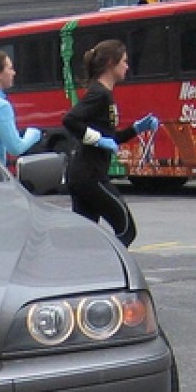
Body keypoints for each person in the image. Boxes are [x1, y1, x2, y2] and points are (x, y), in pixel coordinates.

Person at [62, 40, 158, 247]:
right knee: (126, 229)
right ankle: (110, 269)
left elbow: (110, 138)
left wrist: (136, 129)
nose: (127, 66)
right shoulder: (99, 94)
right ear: (110, 64)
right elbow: (70, 120)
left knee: (86, 238)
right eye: (124, 61)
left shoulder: (104, 94)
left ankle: (87, 273)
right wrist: (98, 140)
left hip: (83, 175)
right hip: (90, 176)